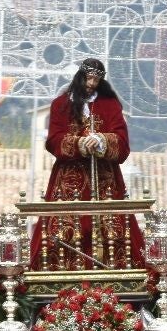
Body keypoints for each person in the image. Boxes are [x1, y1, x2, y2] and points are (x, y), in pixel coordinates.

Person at [30, 58, 143, 271]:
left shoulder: (110, 105)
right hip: (68, 179)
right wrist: (79, 143)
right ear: (80, 77)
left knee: (112, 227)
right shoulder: (60, 104)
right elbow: (53, 140)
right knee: (62, 227)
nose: (91, 83)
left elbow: (122, 142)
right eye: (89, 78)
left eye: (96, 80)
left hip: (104, 180)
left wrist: (102, 140)